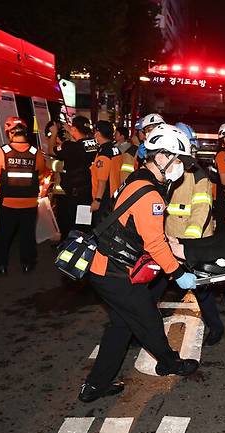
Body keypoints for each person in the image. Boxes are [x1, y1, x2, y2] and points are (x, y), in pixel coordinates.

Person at [79, 123, 199, 403]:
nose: (180, 166)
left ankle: (95, 386)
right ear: (161, 157)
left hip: (106, 267)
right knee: (148, 320)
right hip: (115, 274)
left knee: (121, 327)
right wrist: (178, 273)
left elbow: (143, 231)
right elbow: (154, 244)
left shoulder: (136, 180)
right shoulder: (151, 194)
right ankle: (170, 363)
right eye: (178, 159)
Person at [161, 122, 224, 345]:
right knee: (152, 288)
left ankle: (216, 328)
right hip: (167, 240)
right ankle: (141, 330)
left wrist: (188, 244)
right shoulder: (168, 171)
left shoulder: (199, 175)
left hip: (191, 244)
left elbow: (201, 211)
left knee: (202, 290)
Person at [0, 117, 46, 275]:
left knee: (3, 235)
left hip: (8, 201)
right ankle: (28, 264)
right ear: (25, 134)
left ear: (11, 134)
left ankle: (0, 266)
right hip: (29, 202)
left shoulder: (4, 151)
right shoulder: (36, 152)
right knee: (27, 235)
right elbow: (41, 171)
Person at [48, 116, 97, 238]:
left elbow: (51, 151)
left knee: (71, 227)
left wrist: (54, 133)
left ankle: (70, 251)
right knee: (84, 225)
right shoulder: (94, 143)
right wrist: (72, 133)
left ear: (74, 129)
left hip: (74, 195)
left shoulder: (70, 146)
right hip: (89, 192)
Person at [90, 121, 122, 223]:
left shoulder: (104, 152)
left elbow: (102, 180)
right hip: (115, 195)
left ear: (98, 134)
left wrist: (97, 200)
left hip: (105, 198)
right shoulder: (116, 150)